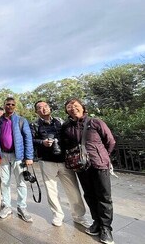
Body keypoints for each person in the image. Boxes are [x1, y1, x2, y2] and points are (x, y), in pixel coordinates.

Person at [61, 98, 116, 244]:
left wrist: (103, 155)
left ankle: (106, 228)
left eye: (76, 105)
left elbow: (110, 141)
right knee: (90, 195)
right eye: (69, 106)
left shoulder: (95, 122)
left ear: (82, 107)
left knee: (104, 196)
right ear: (66, 110)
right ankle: (96, 222)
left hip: (99, 164)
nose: (73, 108)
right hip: (81, 166)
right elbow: (64, 145)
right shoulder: (66, 126)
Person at [31, 101, 91, 227]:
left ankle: (79, 216)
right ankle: (57, 215)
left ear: (50, 108)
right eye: (40, 108)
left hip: (65, 161)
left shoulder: (60, 121)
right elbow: (31, 140)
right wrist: (43, 142)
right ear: (36, 112)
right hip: (47, 161)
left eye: (45, 106)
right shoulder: (35, 125)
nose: (43, 109)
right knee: (51, 190)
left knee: (73, 190)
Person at [0, 97, 34, 222]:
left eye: (12, 104)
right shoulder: (0, 121)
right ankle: (7, 206)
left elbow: (28, 138)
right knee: (5, 182)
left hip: (18, 156)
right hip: (4, 155)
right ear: (4, 105)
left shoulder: (21, 120)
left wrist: (29, 157)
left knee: (21, 182)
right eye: (8, 104)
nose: (10, 106)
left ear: (15, 106)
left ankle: (22, 207)